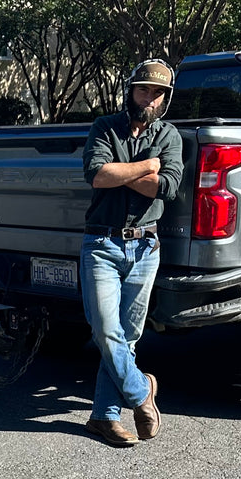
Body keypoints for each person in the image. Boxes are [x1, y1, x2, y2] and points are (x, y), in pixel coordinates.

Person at [78, 59, 183, 446]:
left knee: (128, 336)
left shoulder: (170, 136)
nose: (149, 99)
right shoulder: (105, 127)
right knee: (106, 331)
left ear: (166, 99)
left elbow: (166, 187)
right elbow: (97, 175)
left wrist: (127, 172)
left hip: (146, 246)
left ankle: (104, 417)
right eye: (144, 90)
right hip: (101, 244)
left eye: (157, 93)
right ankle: (142, 392)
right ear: (130, 91)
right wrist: (147, 167)